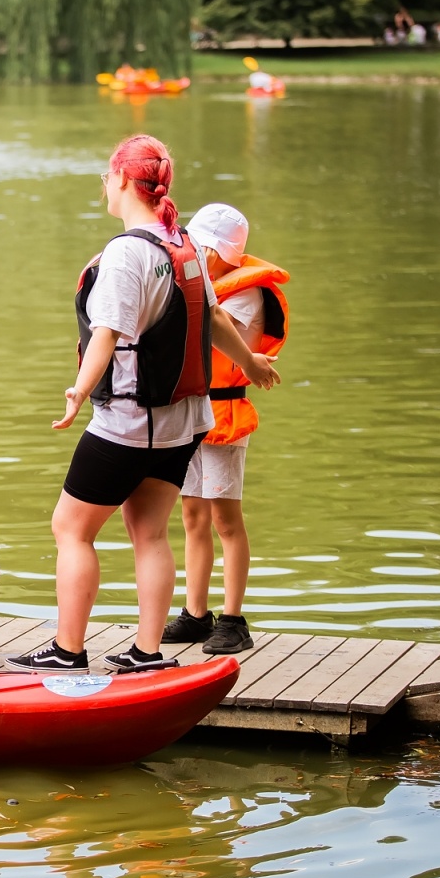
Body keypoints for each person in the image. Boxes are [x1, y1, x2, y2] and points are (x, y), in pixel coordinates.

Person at [5, 135, 280, 675]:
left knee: (71, 528)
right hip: (184, 424)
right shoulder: (187, 245)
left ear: (126, 181)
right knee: (150, 532)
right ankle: (147, 653)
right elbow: (216, 319)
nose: (104, 187)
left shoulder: (128, 252)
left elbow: (107, 332)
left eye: (107, 178)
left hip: (128, 422)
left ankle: (67, 649)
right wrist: (250, 362)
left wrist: (78, 392)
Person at [167, 204, 289, 656]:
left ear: (222, 252)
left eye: (203, 246)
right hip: (191, 413)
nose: (194, 250)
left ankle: (233, 619)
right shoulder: (207, 285)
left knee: (225, 520)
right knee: (192, 516)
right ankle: (195, 614)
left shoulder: (241, 296)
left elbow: (211, 337)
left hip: (223, 417)